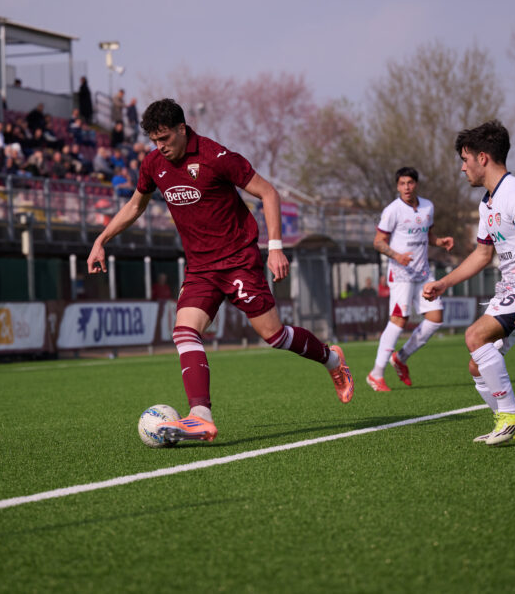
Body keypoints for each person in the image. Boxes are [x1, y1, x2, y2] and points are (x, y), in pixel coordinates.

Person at [87, 98, 353, 443]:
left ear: (183, 129)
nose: (160, 147)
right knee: (184, 331)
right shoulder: (153, 164)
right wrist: (101, 239)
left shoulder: (216, 157)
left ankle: (332, 359)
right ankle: (200, 415)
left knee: (274, 336)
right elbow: (136, 204)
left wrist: (275, 248)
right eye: (154, 140)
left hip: (238, 259)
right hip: (200, 268)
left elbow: (268, 194)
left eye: (165, 138)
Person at [422, 120, 515, 446]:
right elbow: (483, 254)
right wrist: (444, 283)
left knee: (474, 335)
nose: (462, 168)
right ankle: (511, 423)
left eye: (465, 159)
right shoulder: (488, 201)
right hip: (514, 287)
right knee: (477, 366)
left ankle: (510, 414)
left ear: (482, 157)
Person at [367, 167, 454, 392]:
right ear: (398, 186)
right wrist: (397, 256)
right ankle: (376, 374)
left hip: (423, 272)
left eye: (410, 183)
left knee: (435, 319)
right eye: (402, 183)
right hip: (401, 274)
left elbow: (428, 235)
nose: (406, 187)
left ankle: (401, 357)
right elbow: (378, 242)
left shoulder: (427, 206)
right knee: (399, 319)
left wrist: (440, 241)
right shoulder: (392, 210)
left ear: (416, 184)